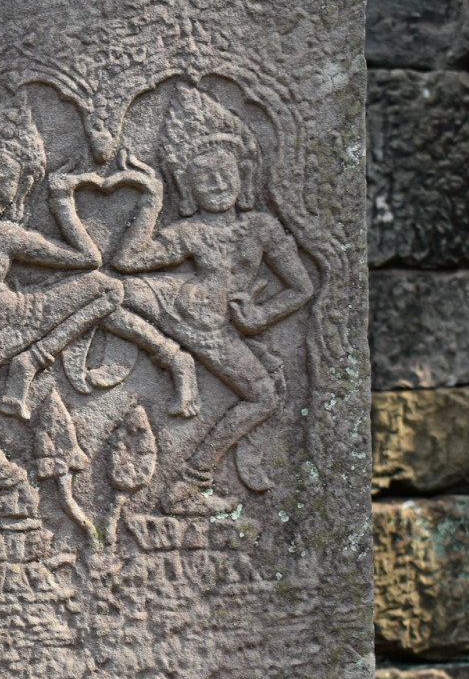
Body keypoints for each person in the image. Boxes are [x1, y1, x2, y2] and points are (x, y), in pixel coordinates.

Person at [0, 101, 197, 497]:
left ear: (18, 189)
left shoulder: (8, 234)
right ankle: (4, 470)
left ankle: (32, 362)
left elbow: (87, 260)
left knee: (107, 287)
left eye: (7, 182)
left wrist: (62, 201)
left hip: (26, 315)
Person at [101, 82, 314, 516]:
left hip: (218, 329)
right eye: (204, 178)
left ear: (243, 176)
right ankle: (173, 359)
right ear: (189, 188)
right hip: (177, 305)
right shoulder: (191, 231)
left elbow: (303, 287)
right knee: (107, 293)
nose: (217, 184)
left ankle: (190, 481)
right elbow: (126, 261)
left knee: (264, 396)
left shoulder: (262, 228)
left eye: (225, 174)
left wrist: (260, 316)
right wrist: (152, 198)